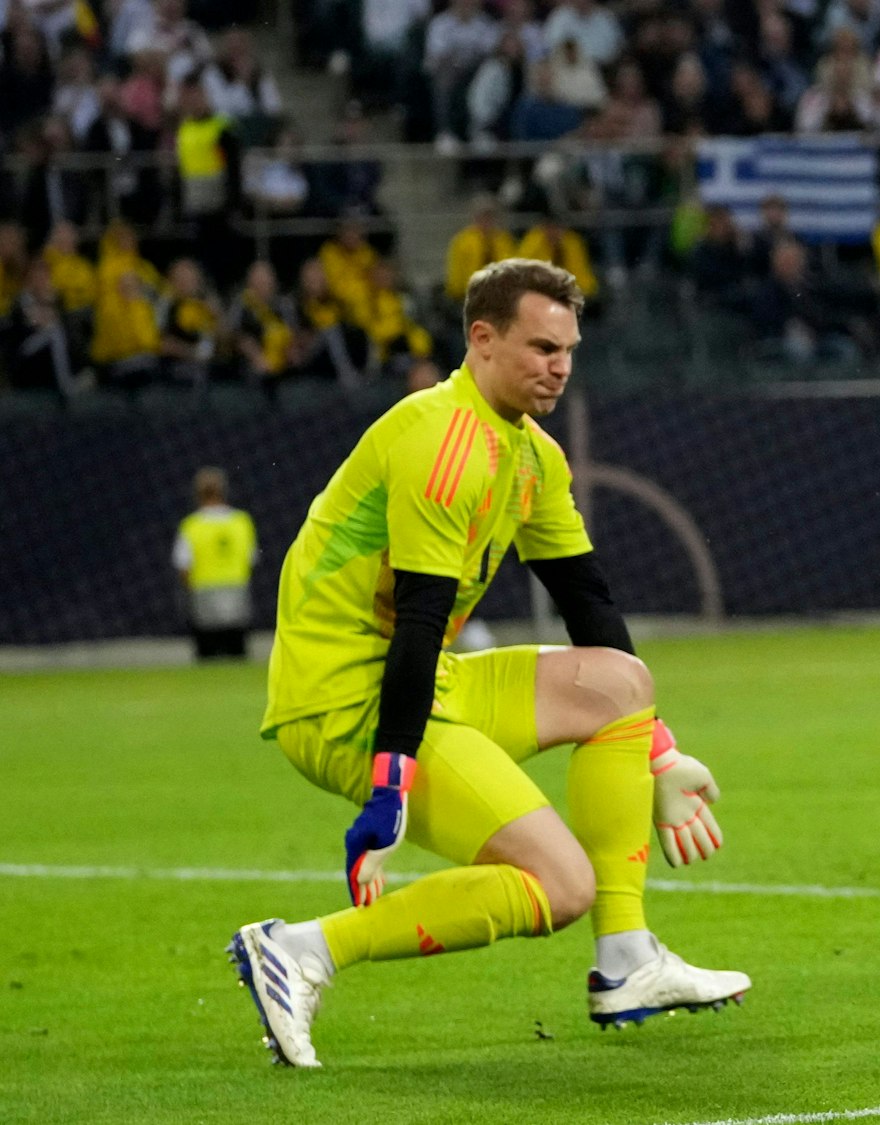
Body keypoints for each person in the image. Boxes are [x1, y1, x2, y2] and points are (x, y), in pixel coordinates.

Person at [227, 260, 747, 1069]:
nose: (560, 365)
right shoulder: (441, 441)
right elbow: (422, 619)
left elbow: (588, 600)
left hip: (428, 680)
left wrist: (660, 750)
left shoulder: (531, 454)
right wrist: (390, 782)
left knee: (619, 682)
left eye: (569, 348)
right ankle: (303, 949)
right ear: (482, 338)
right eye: (542, 346)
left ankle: (628, 959)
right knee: (559, 886)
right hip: (348, 707)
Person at [174, 467, 257, 659]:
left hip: (203, 594)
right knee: (237, 653)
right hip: (236, 592)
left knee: (207, 654)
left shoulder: (191, 526)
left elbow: (183, 566)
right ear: (223, 491)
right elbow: (250, 559)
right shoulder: (242, 522)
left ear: (197, 494)